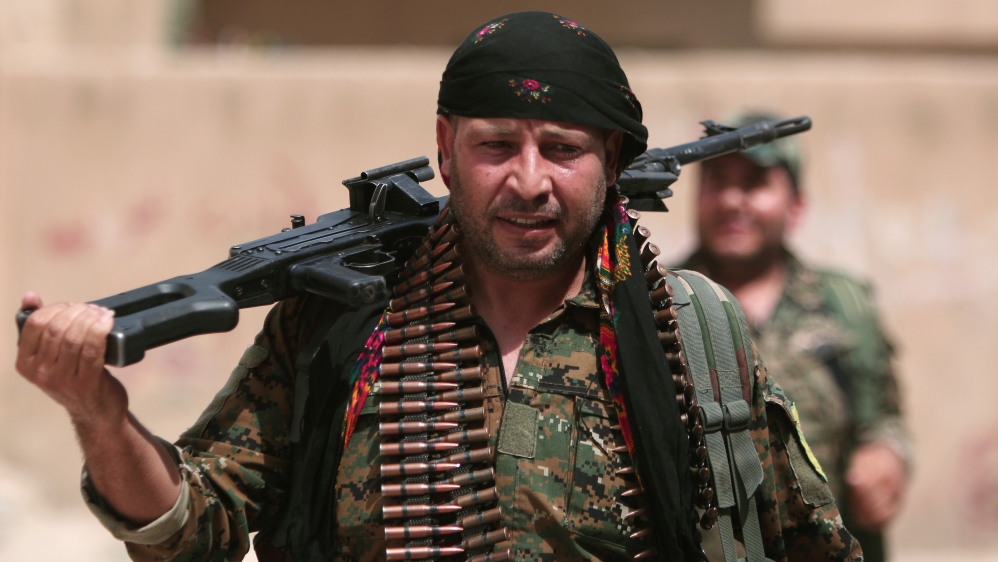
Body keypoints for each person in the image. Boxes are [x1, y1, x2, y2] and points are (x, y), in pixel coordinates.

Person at [14, 14, 863, 562]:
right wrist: (100, 413)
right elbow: (194, 531)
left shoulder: (690, 331)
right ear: (445, 146)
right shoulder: (340, 326)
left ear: (611, 161)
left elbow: (810, 546)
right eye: (498, 145)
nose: (529, 181)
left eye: (562, 149)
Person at [678, 112, 910, 562]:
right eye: (717, 180)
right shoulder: (658, 303)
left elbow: (884, 417)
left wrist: (887, 456)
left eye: (754, 183)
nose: (731, 200)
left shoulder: (843, 305)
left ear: (796, 205)